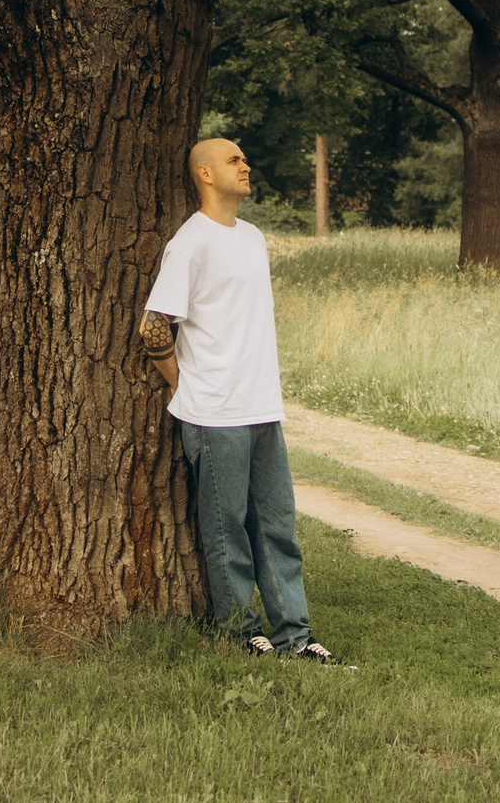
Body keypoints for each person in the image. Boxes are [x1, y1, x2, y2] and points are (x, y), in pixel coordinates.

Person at [140, 137, 339, 663]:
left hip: (261, 406)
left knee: (277, 526)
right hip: (213, 411)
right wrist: (185, 387)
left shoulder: (252, 238)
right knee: (227, 529)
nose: (245, 164)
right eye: (234, 160)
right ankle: (239, 631)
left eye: (245, 157)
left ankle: (295, 634)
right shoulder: (190, 243)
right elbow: (154, 328)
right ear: (205, 173)